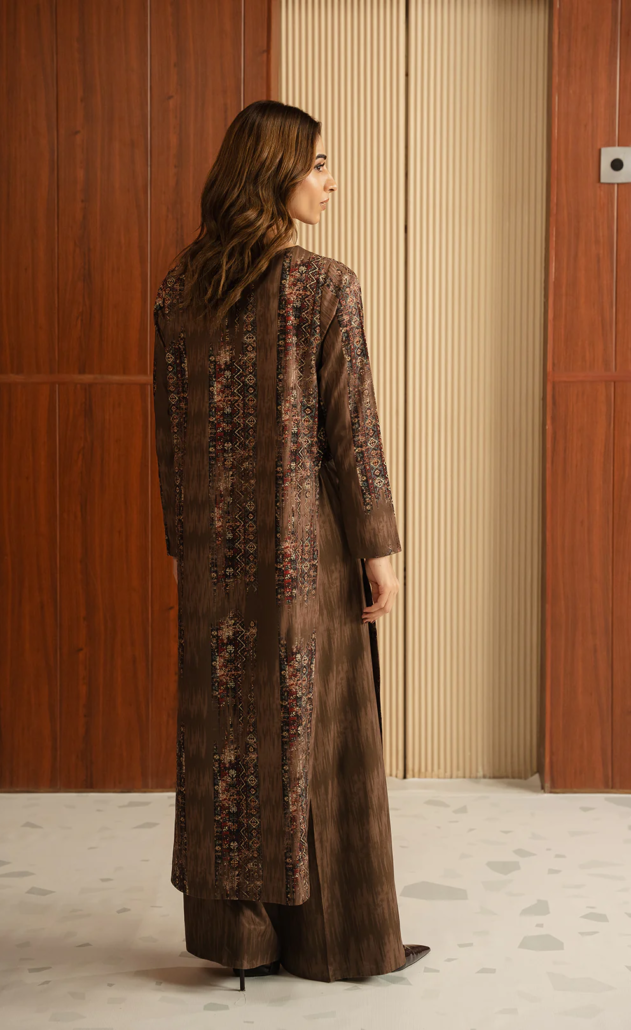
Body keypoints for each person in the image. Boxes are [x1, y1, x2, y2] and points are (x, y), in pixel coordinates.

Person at [152, 99, 430, 990]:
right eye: (318, 165)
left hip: (213, 564)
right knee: (327, 736)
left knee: (227, 742)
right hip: (306, 557)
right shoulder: (323, 286)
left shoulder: (180, 288)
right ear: (272, 174)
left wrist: (187, 547)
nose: (331, 182)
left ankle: (239, 942)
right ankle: (339, 944)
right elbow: (352, 436)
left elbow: (169, 435)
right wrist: (377, 551)